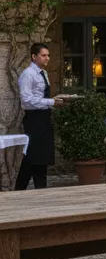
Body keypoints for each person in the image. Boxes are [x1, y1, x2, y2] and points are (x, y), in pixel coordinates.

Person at [15, 43, 64, 190]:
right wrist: (51, 102)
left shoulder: (44, 73)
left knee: (41, 159)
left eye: (48, 55)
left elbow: (40, 97)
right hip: (34, 120)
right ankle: (19, 190)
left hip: (44, 119)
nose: (47, 58)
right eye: (44, 55)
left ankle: (40, 190)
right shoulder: (28, 74)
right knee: (32, 157)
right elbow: (26, 101)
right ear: (34, 56)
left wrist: (55, 101)